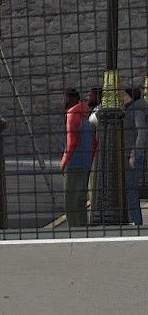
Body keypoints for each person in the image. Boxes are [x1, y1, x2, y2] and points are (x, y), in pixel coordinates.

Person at [62, 89, 97, 228]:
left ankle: (75, 229)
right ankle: (82, 227)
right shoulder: (85, 114)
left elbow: (71, 142)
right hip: (86, 161)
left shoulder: (72, 114)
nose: (63, 101)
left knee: (70, 201)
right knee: (80, 199)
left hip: (74, 163)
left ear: (69, 99)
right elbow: (94, 142)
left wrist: (63, 162)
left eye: (64, 98)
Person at [125, 82, 147, 227]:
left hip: (134, 155)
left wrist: (134, 154)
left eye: (125, 95)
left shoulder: (136, 110)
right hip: (131, 154)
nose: (123, 97)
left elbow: (141, 132)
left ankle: (136, 220)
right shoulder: (132, 108)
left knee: (131, 188)